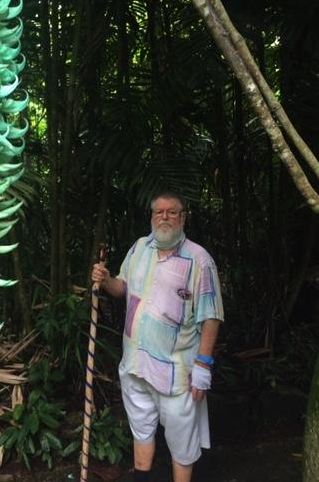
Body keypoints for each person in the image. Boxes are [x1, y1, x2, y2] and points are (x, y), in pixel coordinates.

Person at [91, 191, 224, 482]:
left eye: (172, 212)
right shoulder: (139, 248)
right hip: (135, 365)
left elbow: (211, 315)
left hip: (176, 374)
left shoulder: (199, 260)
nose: (164, 217)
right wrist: (106, 280)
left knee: (182, 443)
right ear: (151, 217)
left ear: (183, 217)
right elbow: (122, 288)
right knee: (141, 430)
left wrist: (203, 365)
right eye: (158, 212)